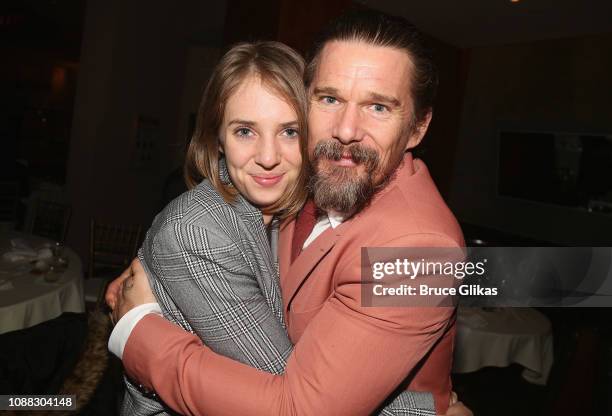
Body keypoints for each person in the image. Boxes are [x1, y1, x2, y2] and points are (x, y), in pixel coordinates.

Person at [108, 10, 471, 416]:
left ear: (419, 128)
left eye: (378, 107)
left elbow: (300, 398)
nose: (347, 129)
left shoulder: (418, 248)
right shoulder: (307, 184)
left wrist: (138, 331)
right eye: (330, 99)